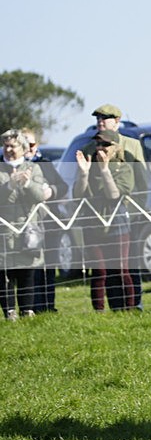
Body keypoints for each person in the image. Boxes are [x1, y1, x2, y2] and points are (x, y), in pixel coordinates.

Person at [87, 104, 146, 309]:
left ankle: (134, 305)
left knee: (128, 266)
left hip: (128, 211)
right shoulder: (91, 146)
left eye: (106, 117)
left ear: (117, 121)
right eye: (98, 118)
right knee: (106, 269)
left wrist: (140, 209)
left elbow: (142, 180)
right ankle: (114, 306)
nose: (101, 121)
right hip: (101, 214)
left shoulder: (132, 145)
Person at [74, 130, 135, 311]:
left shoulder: (124, 167)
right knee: (99, 271)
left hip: (117, 223)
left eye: (106, 145)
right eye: (98, 144)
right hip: (93, 223)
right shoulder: (89, 164)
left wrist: (105, 170)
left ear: (116, 147)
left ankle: (129, 309)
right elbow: (78, 194)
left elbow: (114, 195)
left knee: (121, 270)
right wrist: (84, 173)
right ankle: (99, 312)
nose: (101, 148)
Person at [0, 130, 48, 321]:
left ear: (23, 148)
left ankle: (27, 310)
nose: (9, 149)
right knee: (5, 274)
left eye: (13, 146)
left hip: (28, 230)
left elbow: (39, 198)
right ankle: (9, 312)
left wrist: (27, 184)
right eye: (6, 146)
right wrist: (10, 186)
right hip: (4, 229)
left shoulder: (34, 168)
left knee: (27, 271)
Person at [22, 129, 68, 313]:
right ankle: (30, 308)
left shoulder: (45, 164)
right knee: (29, 269)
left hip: (49, 223)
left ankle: (49, 306)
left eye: (31, 145)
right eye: (24, 145)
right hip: (24, 225)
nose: (28, 149)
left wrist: (53, 191)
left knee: (48, 267)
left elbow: (63, 186)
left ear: (37, 146)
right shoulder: (10, 167)